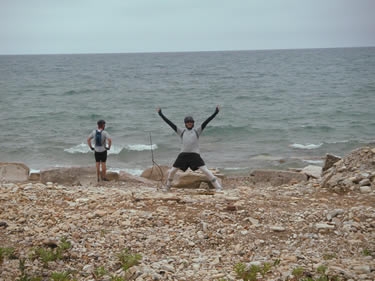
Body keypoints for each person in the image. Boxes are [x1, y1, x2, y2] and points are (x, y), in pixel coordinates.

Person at [157, 106, 223, 192]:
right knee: (172, 171)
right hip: (183, 155)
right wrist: (161, 114)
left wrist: (215, 112)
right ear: (185, 123)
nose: (189, 123)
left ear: (193, 123)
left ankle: (218, 187)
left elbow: (206, 121)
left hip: (195, 155)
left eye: (191, 122)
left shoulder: (197, 131)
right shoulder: (181, 131)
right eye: (187, 122)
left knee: (205, 170)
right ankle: (167, 187)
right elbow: (170, 123)